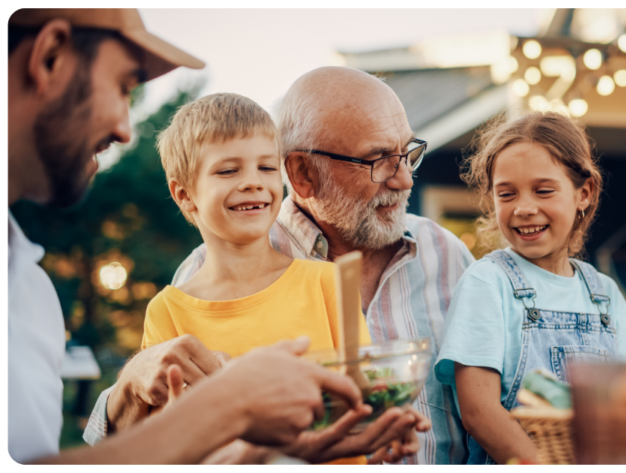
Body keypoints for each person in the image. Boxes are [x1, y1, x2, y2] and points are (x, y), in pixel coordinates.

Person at [8, 8, 363, 465]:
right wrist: (234, 412)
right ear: (185, 196)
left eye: (266, 168)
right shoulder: (169, 310)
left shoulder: (30, 289)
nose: (124, 127)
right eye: (121, 86)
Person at [86, 67, 476, 465]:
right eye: (377, 159)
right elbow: (154, 438)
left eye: (408, 153)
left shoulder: (446, 253)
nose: (405, 179)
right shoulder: (182, 293)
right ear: (302, 174)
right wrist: (133, 384)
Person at [435, 112, 626, 465]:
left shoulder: (606, 295)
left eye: (543, 190)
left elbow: (618, 409)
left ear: (584, 192)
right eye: (506, 194)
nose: (524, 208)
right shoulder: (488, 283)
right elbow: (479, 412)